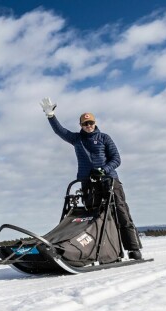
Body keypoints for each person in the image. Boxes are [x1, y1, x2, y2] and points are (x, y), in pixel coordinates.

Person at [39, 97, 143, 260]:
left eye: (91, 123)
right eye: (85, 124)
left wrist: (103, 170)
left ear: (95, 123)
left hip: (109, 181)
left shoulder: (104, 138)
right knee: (92, 218)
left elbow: (116, 158)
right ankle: (99, 251)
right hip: (88, 184)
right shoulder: (77, 139)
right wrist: (50, 115)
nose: (88, 126)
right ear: (81, 125)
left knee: (122, 214)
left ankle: (133, 249)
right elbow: (60, 131)